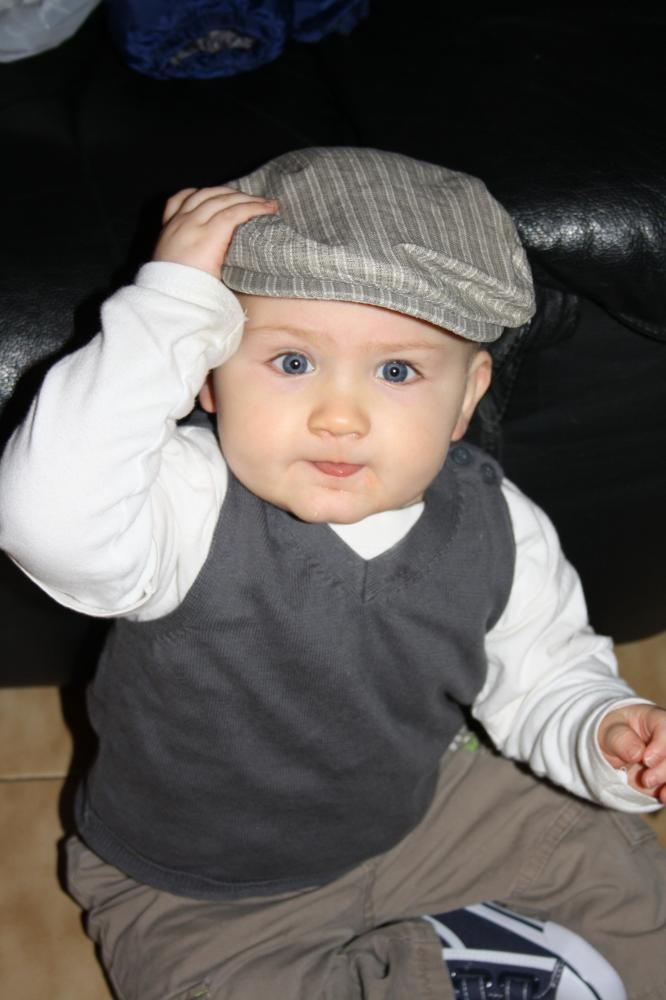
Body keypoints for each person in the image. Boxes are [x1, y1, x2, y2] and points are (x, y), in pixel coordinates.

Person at [1, 147, 666, 1000]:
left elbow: (544, 675)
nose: (340, 416)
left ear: (466, 397)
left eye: (397, 371)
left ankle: (458, 952)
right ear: (209, 374)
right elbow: (46, 517)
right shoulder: (180, 503)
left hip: (430, 808)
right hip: (197, 885)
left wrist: (604, 731)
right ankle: (447, 965)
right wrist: (167, 307)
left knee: (617, 874)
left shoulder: (501, 526)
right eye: (292, 362)